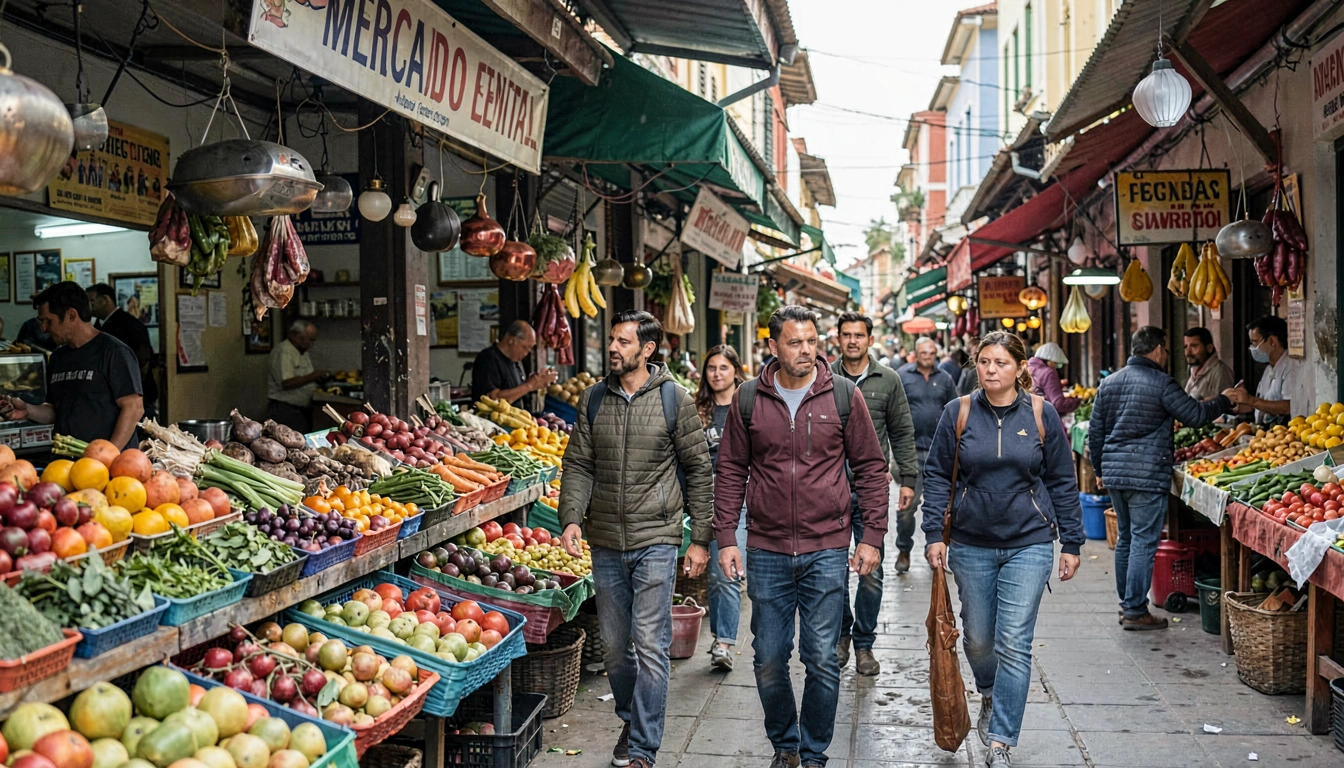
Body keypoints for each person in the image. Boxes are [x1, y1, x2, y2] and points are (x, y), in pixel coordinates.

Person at [714, 305, 889, 768]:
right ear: (773, 346)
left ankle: (813, 753)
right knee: (769, 657)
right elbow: (730, 469)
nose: (806, 351)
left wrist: (871, 535)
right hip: (767, 548)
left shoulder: (844, 396)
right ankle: (784, 745)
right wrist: (727, 537)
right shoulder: (748, 399)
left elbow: (871, 467)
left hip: (827, 547)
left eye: (811, 341)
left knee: (822, 658)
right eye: (795, 342)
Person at [558, 310, 713, 768]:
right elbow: (578, 464)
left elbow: (699, 471)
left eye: (623, 342)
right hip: (604, 539)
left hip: (657, 539)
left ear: (647, 350)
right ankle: (630, 715)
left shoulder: (675, 400)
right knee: (613, 646)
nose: (613, 348)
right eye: (612, 340)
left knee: (650, 643)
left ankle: (644, 746)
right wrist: (570, 518)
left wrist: (700, 539)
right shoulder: (592, 400)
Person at [921, 331, 1083, 767]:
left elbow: (1063, 481)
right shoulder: (959, 412)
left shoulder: (1040, 413)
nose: (991, 370)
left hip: (1028, 542)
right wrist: (933, 533)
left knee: (1015, 642)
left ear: (1019, 368)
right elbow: (937, 475)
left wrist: (1072, 541)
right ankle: (989, 691)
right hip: (971, 543)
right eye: (984, 362)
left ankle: (1001, 740)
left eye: (1000, 363)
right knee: (977, 640)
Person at [1089, 326, 1232, 631]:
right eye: (1166, 350)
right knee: (1142, 540)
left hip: (1116, 473)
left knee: (1127, 538)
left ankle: (1127, 603)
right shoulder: (1161, 383)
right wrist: (1225, 400)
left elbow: (1095, 432)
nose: (1167, 355)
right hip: (1146, 474)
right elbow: (1194, 414)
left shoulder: (1109, 383)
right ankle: (1135, 610)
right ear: (1156, 350)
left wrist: (1100, 470)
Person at [830, 311, 917, 676]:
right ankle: (841, 634)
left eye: (859, 335)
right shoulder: (824, 377)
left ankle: (864, 644)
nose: (853, 341)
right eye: (846, 335)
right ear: (838, 338)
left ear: (869, 339)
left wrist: (909, 478)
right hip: (828, 492)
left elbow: (901, 431)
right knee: (830, 573)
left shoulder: (889, 379)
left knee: (871, 573)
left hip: (871, 491)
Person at [2, 282, 143, 448]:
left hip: (108, 466)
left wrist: (108, 454)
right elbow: (57, 411)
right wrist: (27, 410)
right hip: (68, 462)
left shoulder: (114, 352)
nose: (43, 328)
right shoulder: (58, 357)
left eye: (48, 321)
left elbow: (133, 408)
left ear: (71, 315)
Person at [695, 345, 747, 671]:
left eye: (723, 368)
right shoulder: (695, 408)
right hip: (707, 499)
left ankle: (723, 640)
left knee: (728, 570)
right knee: (719, 573)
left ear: (735, 371)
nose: (717, 374)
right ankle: (721, 640)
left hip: (745, 496)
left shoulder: (749, 404)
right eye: (711, 368)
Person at [898, 337, 958, 567]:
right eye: (924, 353)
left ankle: (933, 551)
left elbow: (955, 410)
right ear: (916, 354)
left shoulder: (945, 379)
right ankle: (904, 550)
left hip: (939, 452)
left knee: (940, 505)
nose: (928, 356)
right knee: (907, 507)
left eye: (932, 353)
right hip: (910, 452)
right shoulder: (903, 376)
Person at [87, 284, 158, 421]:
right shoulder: (96, 326)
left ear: (105, 299)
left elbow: (143, 359)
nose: (88, 305)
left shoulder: (131, 324)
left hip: (134, 393)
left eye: (91, 301)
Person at [1224, 316, 1299, 425]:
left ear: (1272, 341)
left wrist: (1250, 400)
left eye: (1255, 343)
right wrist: (1242, 401)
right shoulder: (1269, 369)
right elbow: (1264, 403)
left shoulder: (1291, 367)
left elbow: (1287, 407)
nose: (1252, 348)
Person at [471, 320, 557, 406]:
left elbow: (517, 391)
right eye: (525, 348)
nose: (526, 353)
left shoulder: (515, 362)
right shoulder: (488, 358)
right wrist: (529, 385)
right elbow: (493, 398)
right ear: (512, 340)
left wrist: (536, 382)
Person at [267, 320, 326, 434]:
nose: (312, 344)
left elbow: (304, 377)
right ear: (298, 337)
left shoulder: (302, 351)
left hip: (302, 409)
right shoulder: (284, 352)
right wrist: (314, 376)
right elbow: (286, 383)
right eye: (311, 339)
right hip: (286, 410)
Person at [1026, 342, 1080, 425]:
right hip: (1044, 420)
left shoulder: (1027, 369)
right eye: (1056, 363)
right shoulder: (1049, 372)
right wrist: (1077, 401)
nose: (1057, 367)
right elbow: (1058, 403)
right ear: (1049, 360)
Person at [1182, 327, 1235, 401]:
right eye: (1185, 347)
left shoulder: (1220, 372)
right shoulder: (1193, 369)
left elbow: (1225, 404)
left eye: (1194, 346)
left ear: (1209, 348)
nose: (1188, 353)